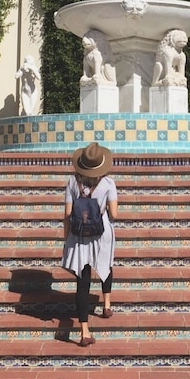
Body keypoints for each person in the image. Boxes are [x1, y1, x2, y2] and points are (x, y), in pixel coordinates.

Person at [61, 142, 118, 347]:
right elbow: (114, 213)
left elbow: (67, 214)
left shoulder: (71, 182)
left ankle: (84, 332)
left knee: (82, 282)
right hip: (101, 232)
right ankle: (106, 304)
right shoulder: (108, 183)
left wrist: (66, 238)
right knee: (106, 264)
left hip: (78, 235)